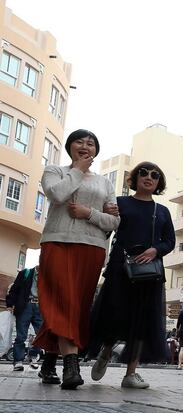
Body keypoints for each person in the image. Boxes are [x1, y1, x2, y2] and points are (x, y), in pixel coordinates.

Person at [33, 129, 119, 389]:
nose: (85, 146)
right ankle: (71, 364)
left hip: (92, 247)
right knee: (62, 300)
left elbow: (114, 220)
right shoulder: (55, 171)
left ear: (96, 150)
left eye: (91, 143)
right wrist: (78, 170)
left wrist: (88, 212)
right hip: (57, 242)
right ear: (70, 146)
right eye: (80, 142)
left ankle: (49, 361)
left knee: (76, 305)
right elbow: (57, 195)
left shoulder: (105, 183)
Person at [89, 161, 175, 389]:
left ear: (159, 183)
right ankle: (106, 352)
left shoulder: (163, 211)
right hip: (120, 269)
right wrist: (106, 214)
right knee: (114, 316)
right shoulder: (120, 203)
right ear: (135, 178)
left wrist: (155, 250)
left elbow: (170, 241)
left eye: (155, 175)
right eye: (144, 173)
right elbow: (107, 229)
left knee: (142, 323)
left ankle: (130, 374)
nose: (149, 177)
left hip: (149, 274)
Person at [6, 266, 43, 372]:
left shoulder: (47, 275)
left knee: (41, 334)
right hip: (25, 306)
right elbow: (14, 289)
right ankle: (18, 361)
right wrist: (10, 304)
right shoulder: (25, 273)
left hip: (40, 308)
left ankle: (33, 356)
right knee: (21, 335)